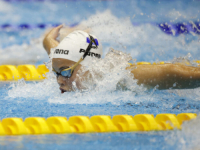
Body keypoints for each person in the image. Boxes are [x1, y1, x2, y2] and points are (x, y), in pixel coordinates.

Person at [43, 25, 200, 93]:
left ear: (87, 66)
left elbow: (169, 71)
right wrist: (48, 38)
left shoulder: (112, 78)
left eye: (65, 73)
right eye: (55, 72)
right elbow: (52, 49)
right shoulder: (63, 61)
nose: (59, 80)